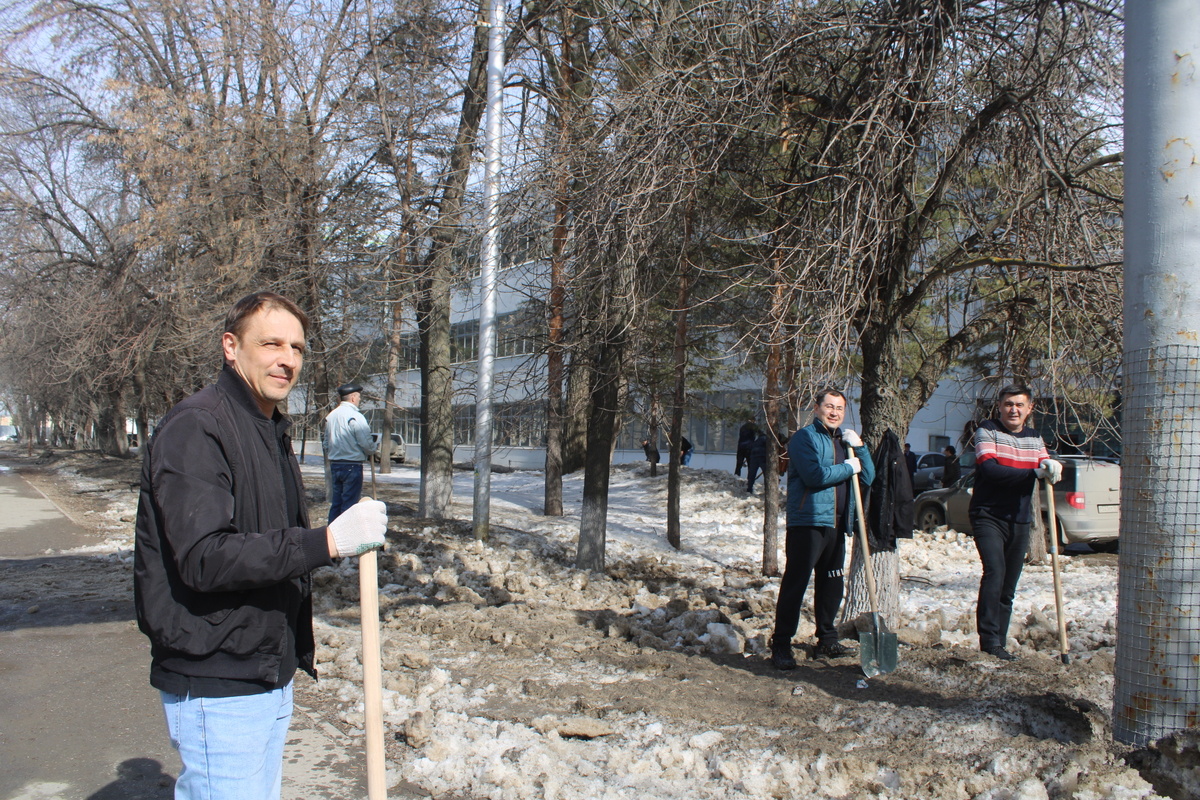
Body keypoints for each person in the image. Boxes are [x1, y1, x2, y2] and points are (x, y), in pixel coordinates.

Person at [134, 292, 389, 799]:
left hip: (264, 665)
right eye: (271, 343)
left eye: (296, 347)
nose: (287, 358)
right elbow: (205, 558)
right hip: (216, 672)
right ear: (232, 347)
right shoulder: (198, 426)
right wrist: (327, 542)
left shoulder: (268, 426)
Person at [770, 388, 876, 669]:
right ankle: (781, 644)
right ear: (817, 408)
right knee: (796, 582)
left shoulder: (845, 441)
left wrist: (861, 449)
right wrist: (847, 468)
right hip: (809, 522)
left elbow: (867, 476)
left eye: (839, 408)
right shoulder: (805, 438)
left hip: (838, 524)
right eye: (829, 407)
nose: (834, 413)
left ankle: (827, 640)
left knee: (831, 584)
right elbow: (814, 476)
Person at [969, 383, 1062, 662]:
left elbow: (1044, 465)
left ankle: (1000, 641)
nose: (1014, 409)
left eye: (1020, 405)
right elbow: (991, 469)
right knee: (995, 573)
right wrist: (1034, 473)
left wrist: (1053, 467)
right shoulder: (987, 430)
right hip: (988, 515)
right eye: (1009, 404)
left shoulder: (1035, 438)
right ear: (1000, 406)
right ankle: (989, 641)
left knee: (1009, 584)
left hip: (1020, 519)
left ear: (1029, 409)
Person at [322, 382, 375, 523]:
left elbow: (326, 443)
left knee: (336, 503)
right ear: (352, 397)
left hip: (335, 465)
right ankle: (346, 538)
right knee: (349, 505)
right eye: (358, 397)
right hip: (352, 466)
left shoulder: (331, 416)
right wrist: (372, 449)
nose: (359, 400)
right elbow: (365, 441)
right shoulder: (355, 416)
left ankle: (330, 535)